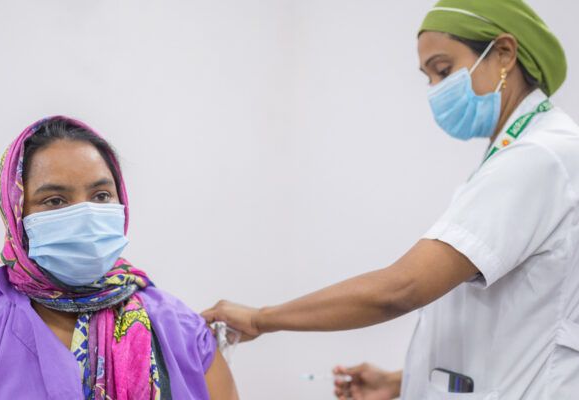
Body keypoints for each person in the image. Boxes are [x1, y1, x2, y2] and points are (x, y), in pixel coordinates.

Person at [202, 1, 579, 398]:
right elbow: (517, 327)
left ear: (503, 53)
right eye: (428, 77)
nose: (435, 90)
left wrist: (263, 319)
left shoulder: (541, 158)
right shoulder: (519, 156)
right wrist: (401, 381)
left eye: (443, 70)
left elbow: (403, 288)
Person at [0, 117, 239, 399]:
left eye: (101, 195)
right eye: (55, 200)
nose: (87, 216)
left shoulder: (182, 330)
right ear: (17, 214)